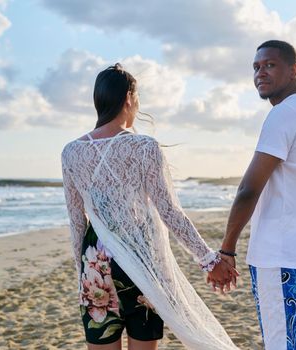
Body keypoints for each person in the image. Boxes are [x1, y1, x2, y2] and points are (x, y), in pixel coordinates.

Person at [61, 63, 239, 350]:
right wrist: (207, 259)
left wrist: (82, 271)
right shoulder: (145, 147)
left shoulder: (71, 152)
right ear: (129, 98)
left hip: (96, 259)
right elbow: (169, 212)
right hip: (143, 255)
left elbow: (76, 221)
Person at [216, 40, 296, 349]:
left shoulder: (283, 114)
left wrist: (227, 249)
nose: (260, 73)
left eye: (269, 65)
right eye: (255, 67)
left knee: (282, 343)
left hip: (282, 254)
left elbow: (248, 189)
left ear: (294, 70)